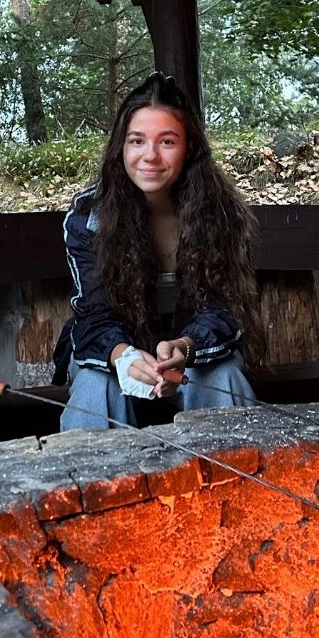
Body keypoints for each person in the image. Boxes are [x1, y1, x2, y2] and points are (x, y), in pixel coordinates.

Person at [54, 72, 261, 431]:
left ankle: (232, 465)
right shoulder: (90, 217)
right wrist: (125, 357)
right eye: (137, 141)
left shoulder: (218, 213)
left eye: (167, 141)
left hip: (192, 352)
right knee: (96, 385)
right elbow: (94, 315)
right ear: (121, 148)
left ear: (189, 148)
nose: (149, 156)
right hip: (115, 351)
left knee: (220, 376)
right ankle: (92, 469)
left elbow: (224, 308)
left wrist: (184, 347)